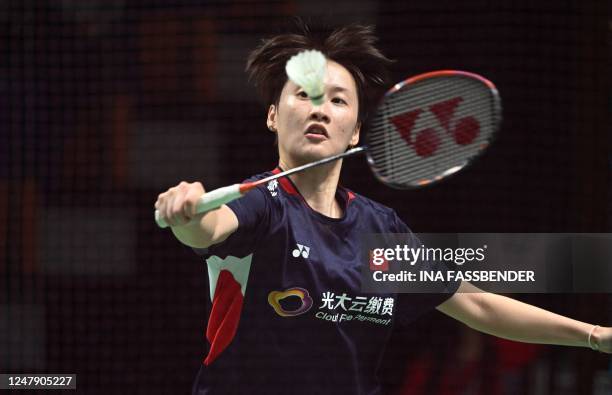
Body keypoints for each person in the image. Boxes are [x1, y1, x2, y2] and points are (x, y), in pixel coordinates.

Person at [154, 20, 611, 395]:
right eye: (304, 96)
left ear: (355, 131)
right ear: (273, 115)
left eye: (337, 100)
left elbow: (476, 303)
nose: (320, 110)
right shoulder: (261, 203)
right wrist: (187, 214)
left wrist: (593, 336)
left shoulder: (379, 229)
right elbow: (208, 229)